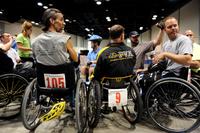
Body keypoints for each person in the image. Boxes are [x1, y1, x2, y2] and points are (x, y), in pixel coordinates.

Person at [32, 8, 78, 108]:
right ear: (52, 21)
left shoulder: (35, 41)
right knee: (76, 69)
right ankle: (72, 102)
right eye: (61, 20)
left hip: (44, 82)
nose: (63, 23)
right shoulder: (64, 38)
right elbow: (75, 58)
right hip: (65, 83)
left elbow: (36, 58)